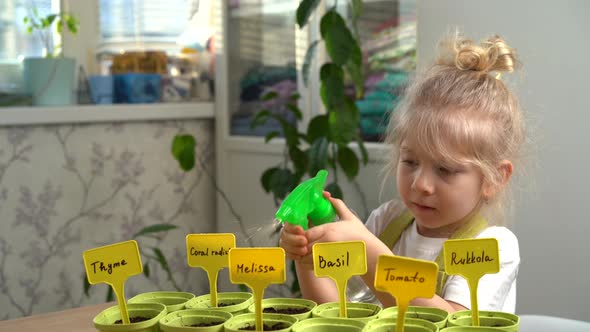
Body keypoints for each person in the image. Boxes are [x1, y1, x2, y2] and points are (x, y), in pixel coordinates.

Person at [279, 32, 525, 314]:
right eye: (410, 162)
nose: (421, 184)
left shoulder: (493, 247)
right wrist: (308, 256)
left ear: (494, 178)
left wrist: (371, 254)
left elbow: (447, 323)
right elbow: (336, 310)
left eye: (444, 169)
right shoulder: (387, 221)